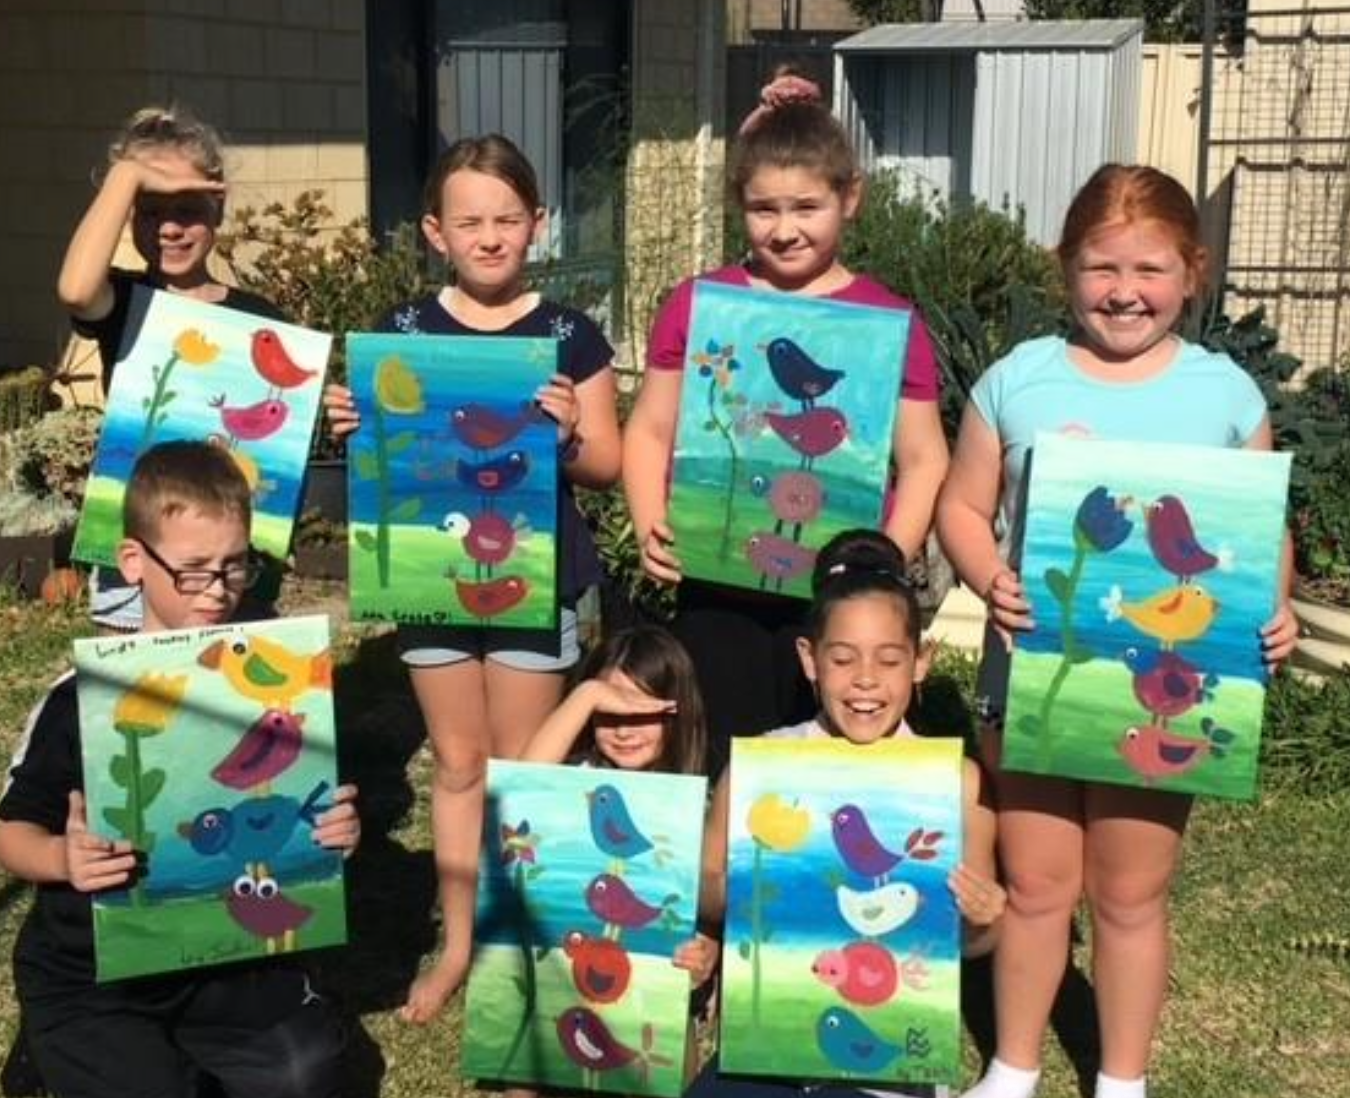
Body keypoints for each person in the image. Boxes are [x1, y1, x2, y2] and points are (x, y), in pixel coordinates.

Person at [936, 164, 1299, 1098]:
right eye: (1102, 267)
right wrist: (988, 574)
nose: (1124, 291)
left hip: (1173, 686)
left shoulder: (1227, 395)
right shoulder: (1018, 380)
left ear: (1192, 272)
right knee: (1037, 886)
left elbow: (1264, 535)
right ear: (1066, 267)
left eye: (1150, 269)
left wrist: (1277, 607)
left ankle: (1123, 1079)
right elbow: (962, 506)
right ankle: (1013, 1066)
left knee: (1131, 894)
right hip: (1033, 676)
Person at [322, 133, 622, 1022]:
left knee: (523, 771)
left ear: (538, 223)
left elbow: (606, 465)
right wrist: (352, 427)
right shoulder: (403, 334)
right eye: (469, 222)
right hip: (432, 580)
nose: (489, 237)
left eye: (506, 219)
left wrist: (568, 435)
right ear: (434, 232)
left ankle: (513, 938)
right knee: (458, 765)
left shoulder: (571, 335)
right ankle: (459, 944)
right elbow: (387, 450)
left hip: (536, 580)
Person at [0, 440, 361, 1098]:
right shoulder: (79, 698)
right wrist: (60, 858)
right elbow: (10, 831)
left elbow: (302, 806)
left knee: (307, 1075)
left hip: (230, 964)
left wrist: (334, 831)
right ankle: (53, 1042)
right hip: (95, 975)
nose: (218, 592)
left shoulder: (280, 687)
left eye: (235, 566)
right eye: (194, 571)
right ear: (133, 562)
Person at [622, 69, 950, 777]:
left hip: (841, 597)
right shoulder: (698, 304)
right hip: (718, 581)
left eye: (807, 206)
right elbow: (649, 428)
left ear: (850, 198)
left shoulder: (890, 322)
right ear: (738, 204)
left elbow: (925, 459)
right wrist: (651, 523)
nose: (785, 228)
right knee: (720, 754)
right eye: (763, 208)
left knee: (830, 765)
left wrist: (882, 564)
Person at [694, 529, 1005, 1098]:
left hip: (885, 1070)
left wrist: (985, 917)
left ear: (921, 662)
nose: (866, 679)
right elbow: (703, 888)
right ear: (809, 659)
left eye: (889, 660)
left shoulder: (957, 786)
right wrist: (741, 888)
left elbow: (973, 944)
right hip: (766, 1053)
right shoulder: (762, 766)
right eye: (842, 658)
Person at [56, 104, 288, 632]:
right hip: (141, 559)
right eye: (150, 210)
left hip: (234, 564)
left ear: (218, 208)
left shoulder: (263, 321)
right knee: (142, 681)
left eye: (188, 209)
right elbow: (75, 289)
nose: (170, 228)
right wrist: (127, 175)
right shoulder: (123, 301)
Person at [518, 624, 718, 1086]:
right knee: (522, 1072)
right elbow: (521, 786)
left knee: (670, 1062)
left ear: (676, 712)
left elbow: (711, 897)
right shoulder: (575, 780)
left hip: (651, 983)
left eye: (641, 712)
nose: (624, 730)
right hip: (563, 971)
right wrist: (587, 694)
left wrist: (707, 946)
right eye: (609, 713)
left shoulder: (698, 805)